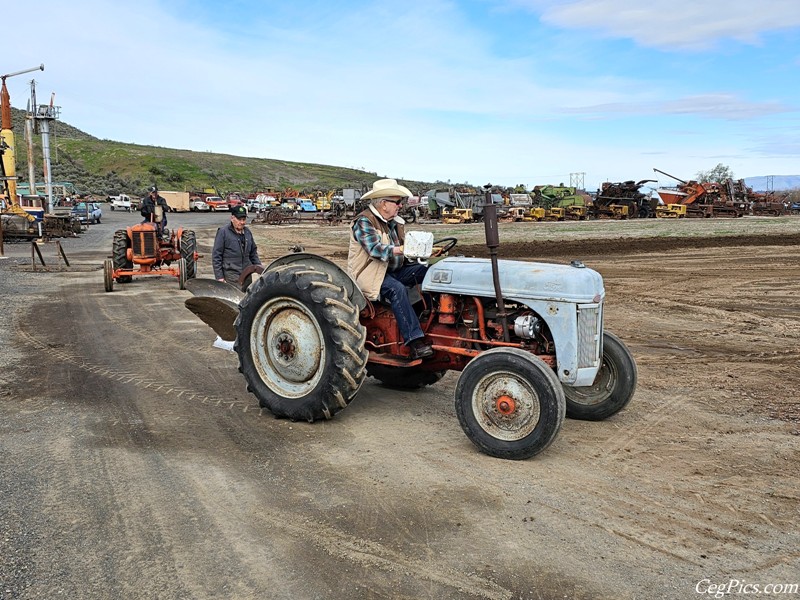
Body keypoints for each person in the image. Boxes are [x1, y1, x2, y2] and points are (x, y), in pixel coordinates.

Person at [347, 178, 433, 360]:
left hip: (391, 271)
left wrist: (418, 251)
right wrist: (401, 249)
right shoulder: (364, 222)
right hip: (369, 275)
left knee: (428, 272)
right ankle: (414, 341)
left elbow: (404, 251)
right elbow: (375, 250)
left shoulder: (394, 222)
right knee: (396, 289)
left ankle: (429, 318)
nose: (400, 206)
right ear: (383, 203)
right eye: (397, 202)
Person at [212, 205, 263, 288]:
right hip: (231, 276)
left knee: (247, 298)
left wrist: (260, 269)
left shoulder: (247, 232)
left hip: (247, 275)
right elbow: (217, 256)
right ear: (232, 218)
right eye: (239, 219)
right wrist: (219, 277)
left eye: (244, 219)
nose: (242, 222)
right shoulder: (223, 232)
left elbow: (253, 253)